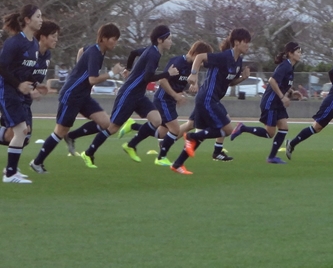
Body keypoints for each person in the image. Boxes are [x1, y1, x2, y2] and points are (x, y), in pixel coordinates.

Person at [29, 24, 125, 173]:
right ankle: (36, 162)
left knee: (106, 123)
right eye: (114, 39)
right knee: (60, 131)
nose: (116, 43)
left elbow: (81, 50)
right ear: (104, 39)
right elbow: (93, 80)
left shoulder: (96, 50)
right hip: (72, 94)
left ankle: (72, 136)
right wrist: (113, 73)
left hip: (83, 95)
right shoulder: (95, 53)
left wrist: (78, 67)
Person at [79, 25, 178, 168]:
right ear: (160, 40)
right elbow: (148, 77)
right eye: (169, 39)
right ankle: (88, 153)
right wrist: (168, 73)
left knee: (158, 120)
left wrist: (129, 69)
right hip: (128, 94)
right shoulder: (153, 54)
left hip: (139, 95)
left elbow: (133, 53)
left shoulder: (151, 51)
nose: (171, 42)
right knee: (112, 128)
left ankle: (131, 143)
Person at [171, 28, 251, 175]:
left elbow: (230, 82)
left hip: (211, 99)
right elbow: (200, 57)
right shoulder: (223, 57)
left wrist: (243, 78)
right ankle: (190, 137)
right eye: (246, 42)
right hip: (207, 98)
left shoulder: (238, 61)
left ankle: (177, 164)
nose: (248, 46)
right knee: (227, 129)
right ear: (237, 42)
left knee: (201, 134)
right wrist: (193, 75)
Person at [230, 41, 301, 164]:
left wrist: (291, 92)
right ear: (290, 53)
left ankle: (272, 157)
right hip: (271, 102)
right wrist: (282, 97)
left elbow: (282, 84)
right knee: (269, 133)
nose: (301, 55)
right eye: (298, 52)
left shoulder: (290, 67)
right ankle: (243, 128)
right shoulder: (285, 66)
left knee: (284, 128)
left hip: (277, 102)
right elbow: (272, 81)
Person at [151, 40, 213, 166]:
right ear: (196, 53)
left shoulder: (192, 68)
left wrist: (188, 89)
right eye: (201, 59)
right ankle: (161, 157)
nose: (201, 63)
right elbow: (162, 80)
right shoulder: (178, 62)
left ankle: (134, 127)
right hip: (163, 98)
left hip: (170, 100)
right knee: (175, 129)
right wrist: (175, 96)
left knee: (162, 132)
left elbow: (180, 83)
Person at [0, 5, 43, 183]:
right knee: (21, 130)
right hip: (7, 91)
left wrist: (33, 85)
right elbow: (2, 67)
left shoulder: (33, 43)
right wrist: (18, 85)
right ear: (27, 20)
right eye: (38, 16)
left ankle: (11, 171)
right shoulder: (15, 42)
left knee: (21, 132)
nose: (41, 20)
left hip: (17, 93)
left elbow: (24, 71)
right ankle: (10, 174)